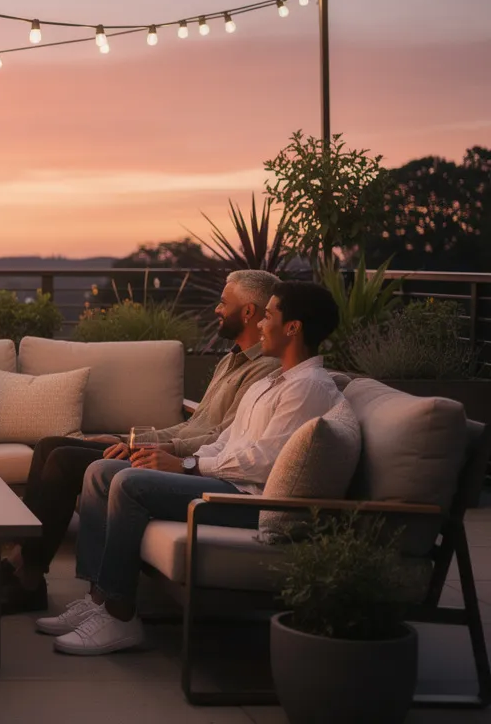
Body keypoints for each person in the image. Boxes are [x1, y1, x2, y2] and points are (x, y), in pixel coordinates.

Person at [37, 280, 343, 656]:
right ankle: (98, 599)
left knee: (130, 484)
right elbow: (226, 440)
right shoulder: (275, 382)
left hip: (250, 502)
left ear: (293, 327)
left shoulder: (307, 388)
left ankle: (120, 617)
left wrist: (188, 465)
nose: (262, 325)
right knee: (102, 471)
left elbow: (263, 462)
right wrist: (182, 460)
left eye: (269, 316)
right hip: (225, 482)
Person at [2, 270, 283, 612]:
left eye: (224, 303)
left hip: (190, 464)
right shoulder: (230, 360)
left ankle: (28, 576)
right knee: (48, 445)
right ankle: (23, 563)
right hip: (174, 450)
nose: (216, 310)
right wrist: (127, 438)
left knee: (63, 459)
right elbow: (192, 424)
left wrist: (152, 448)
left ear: (249, 312)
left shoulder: (264, 370)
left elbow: (219, 438)